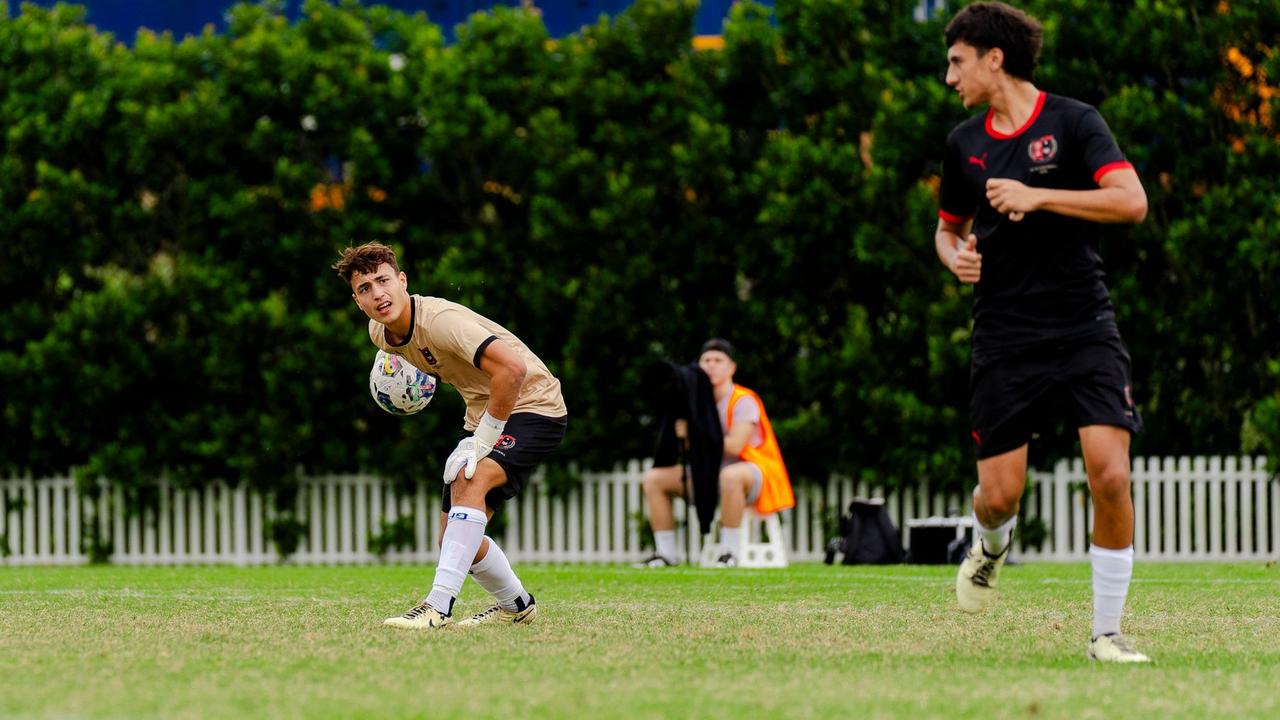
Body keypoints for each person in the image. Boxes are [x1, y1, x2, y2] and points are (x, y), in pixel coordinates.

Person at [935, 3, 1150, 662]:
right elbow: (947, 227)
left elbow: (1131, 201)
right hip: (1004, 333)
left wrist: (1040, 196)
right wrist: (955, 256)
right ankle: (990, 545)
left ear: (993, 58)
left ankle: (1105, 634)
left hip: (1084, 324)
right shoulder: (964, 142)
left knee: (1110, 476)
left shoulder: (1075, 122)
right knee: (998, 497)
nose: (949, 78)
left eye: (956, 61)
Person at [333, 242, 568, 630]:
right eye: (365, 289)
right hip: (483, 412)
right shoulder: (379, 333)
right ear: (357, 301)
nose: (378, 294)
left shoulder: (440, 320)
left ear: (402, 280)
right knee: (456, 543)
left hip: (534, 405)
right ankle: (517, 604)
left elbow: (512, 371)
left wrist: (483, 439)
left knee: (468, 478)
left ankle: (437, 607)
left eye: (383, 281)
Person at [638, 339, 793, 567]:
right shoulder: (694, 401)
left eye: (718, 360)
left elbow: (734, 447)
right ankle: (666, 554)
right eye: (706, 360)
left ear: (731, 368)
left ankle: (729, 552)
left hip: (754, 474)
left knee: (729, 475)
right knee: (654, 480)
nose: (711, 365)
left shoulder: (743, 400)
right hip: (708, 474)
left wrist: (693, 434)